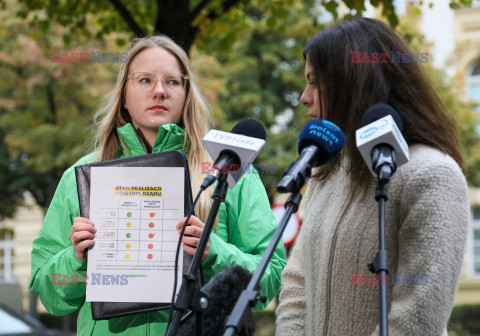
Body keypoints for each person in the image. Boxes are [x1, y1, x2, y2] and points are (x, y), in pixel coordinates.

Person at [30, 35, 286, 335]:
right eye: (145, 80)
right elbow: (49, 293)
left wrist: (214, 252)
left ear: (187, 92)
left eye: (173, 82)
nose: (160, 91)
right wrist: (76, 258)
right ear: (123, 95)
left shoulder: (229, 169)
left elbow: (272, 277)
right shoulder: (84, 176)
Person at [275, 17, 469, 336]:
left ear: (351, 84)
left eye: (314, 82)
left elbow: (417, 317)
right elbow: (297, 285)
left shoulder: (431, 173)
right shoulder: (327, 173)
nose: (303, 97)